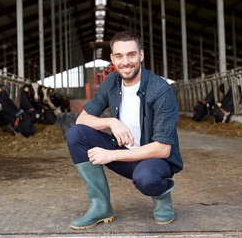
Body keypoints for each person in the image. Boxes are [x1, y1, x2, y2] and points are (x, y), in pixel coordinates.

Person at [66, 31, 183, 230]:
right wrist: (111, 122)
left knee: (146, 179)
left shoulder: (160, 89)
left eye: (131, 55)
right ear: (112, 58)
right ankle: (101, 207)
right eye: (119, 56)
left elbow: (162, 149)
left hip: (154, 160)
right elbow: (82, 119)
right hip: (124, 152)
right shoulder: (111, 82)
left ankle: (162, 197)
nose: (125, 62)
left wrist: (110, 155)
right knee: (76, 134)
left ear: (141, 55)